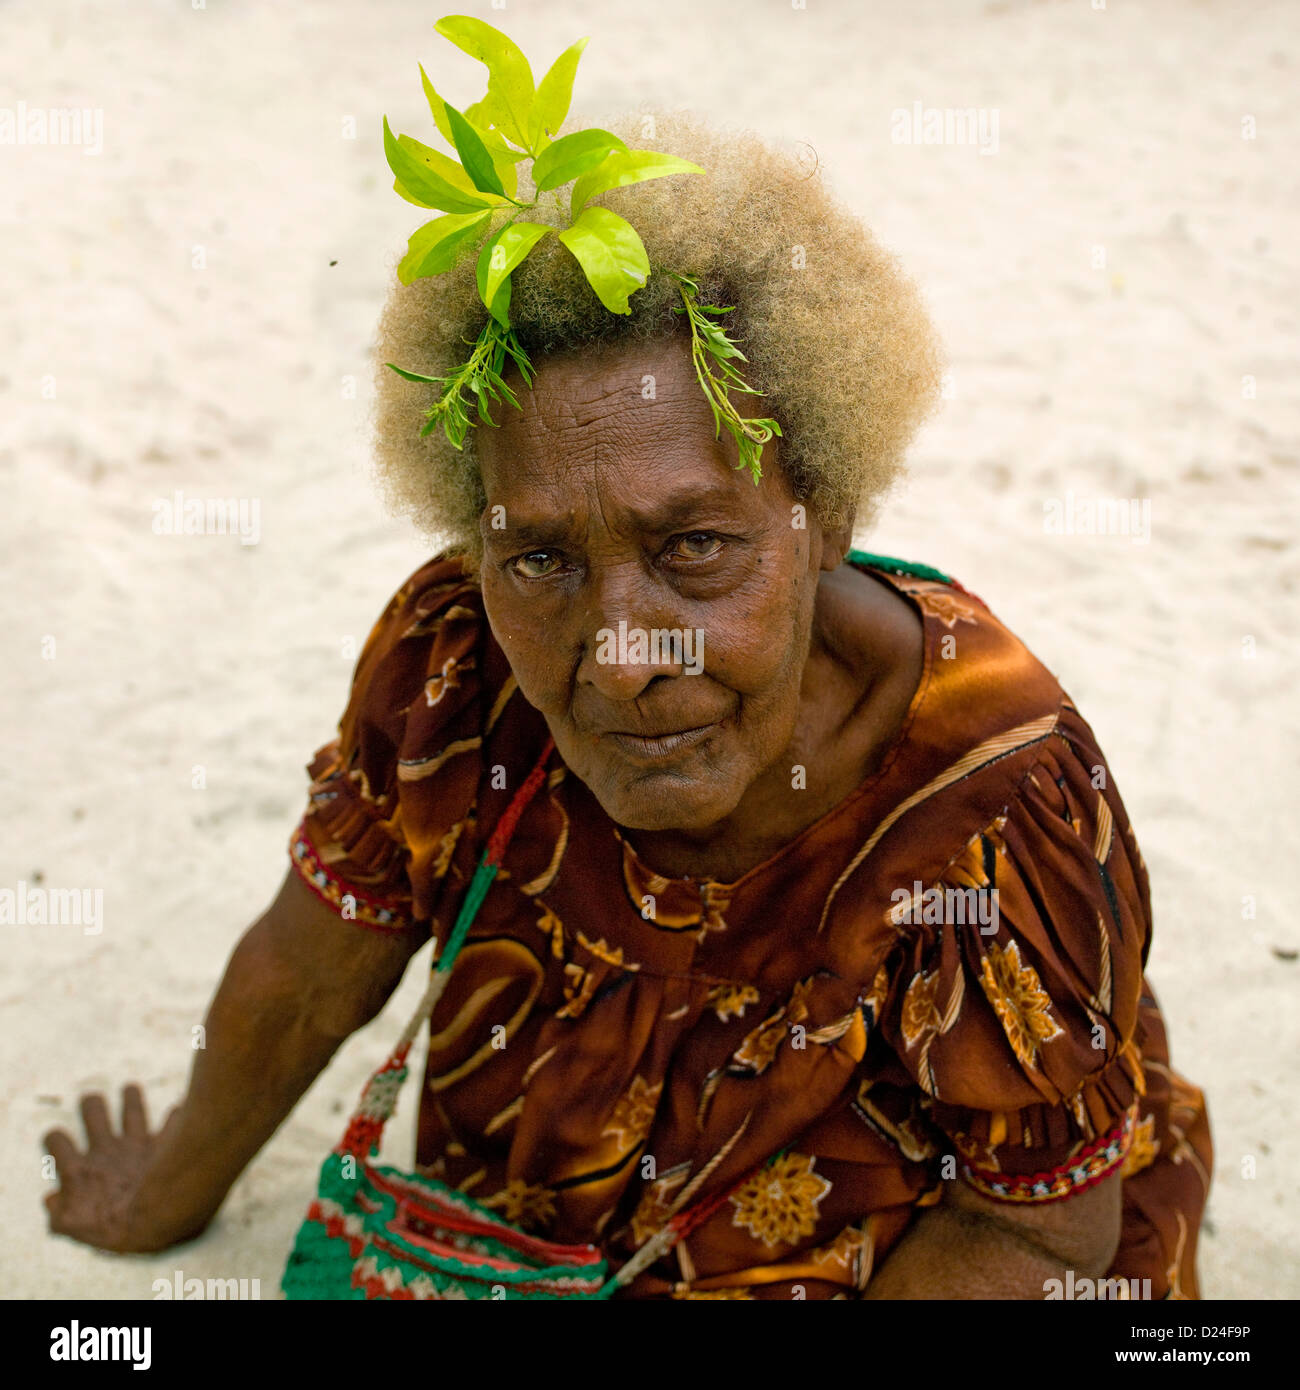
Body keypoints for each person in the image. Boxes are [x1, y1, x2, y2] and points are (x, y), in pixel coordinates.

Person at [43, 115, 1211, 1299]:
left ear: (826, 518)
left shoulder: (1000, 810)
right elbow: (309, 969)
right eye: (541, 561)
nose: (617, 659)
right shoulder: (455, 658)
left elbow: (1030, 1232)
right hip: (535, 1226)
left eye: (694, 545)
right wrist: (161, 1197)